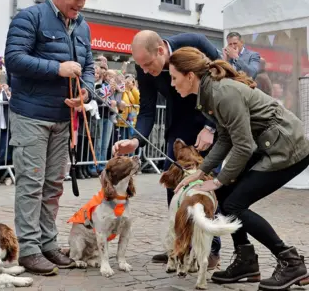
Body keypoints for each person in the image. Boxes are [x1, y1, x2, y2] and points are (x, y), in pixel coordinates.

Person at [171, 47, 309, 290]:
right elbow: (225, 138)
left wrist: (219, 179)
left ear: (190, 75)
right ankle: (246, 261)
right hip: (270, 145)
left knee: (234, 203)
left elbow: (243, 146)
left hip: (288, 148)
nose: (172, 84)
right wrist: (202, 174)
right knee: (224, 197)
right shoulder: (210, 93)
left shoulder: (222, 93)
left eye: (174, 77)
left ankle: (291, 261)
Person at [4, 0, 94, 275]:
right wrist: (58, 68)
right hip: (30, 114)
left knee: (54, 185)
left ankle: (47, 243)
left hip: (62, 117)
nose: (80, 5)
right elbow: (14, 59)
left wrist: (86, 91)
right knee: (31, 183)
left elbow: (89, 67)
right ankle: (28, 249)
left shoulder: (83, 26)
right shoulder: (30, 17)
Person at [112, 30, 221, 267]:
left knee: (209, 185)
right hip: (177, 126)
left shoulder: (196, 43)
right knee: (173, 183)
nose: (146, 71)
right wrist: (135, 140)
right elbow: (148, 110)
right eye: (141, 66)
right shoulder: (144, 66)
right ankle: (180, 243)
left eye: (149, 64)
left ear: (161, 50)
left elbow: (224, 81)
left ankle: (210, 250)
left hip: (208, 121)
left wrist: (210, 126)